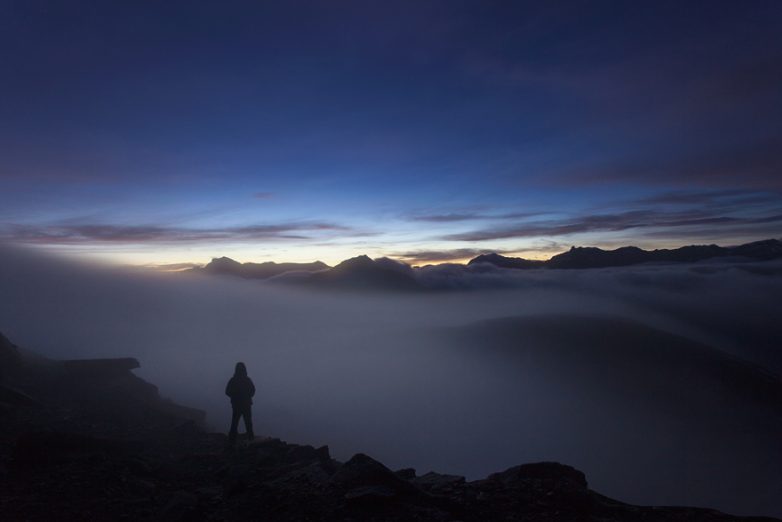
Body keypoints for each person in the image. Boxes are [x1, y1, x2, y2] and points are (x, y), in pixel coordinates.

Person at [225, 362, 256, 445]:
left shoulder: (233, 380)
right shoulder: (247, 380)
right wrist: (246, 396)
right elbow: (253, 391)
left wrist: (235, 396)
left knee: (235, 423)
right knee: (248, 423)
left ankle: (231, 441)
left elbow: (227, 392)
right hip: (246, 405)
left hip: (237, 405)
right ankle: (251, 440)